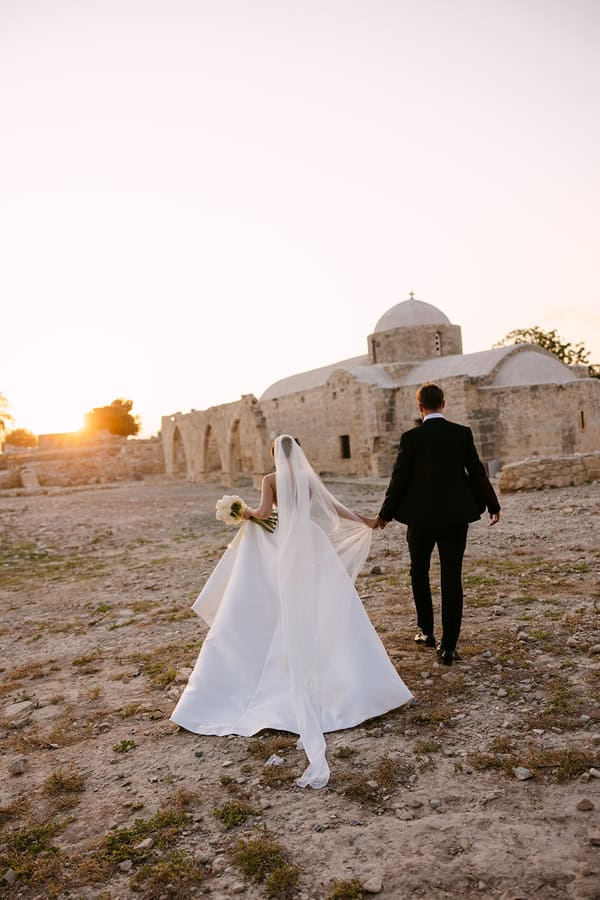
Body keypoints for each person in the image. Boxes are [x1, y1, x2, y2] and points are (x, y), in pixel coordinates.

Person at [171, 434, 413, 788]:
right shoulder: (307, 479)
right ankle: (352, 679)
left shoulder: (271, 480)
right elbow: (334, 510)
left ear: (273, 454)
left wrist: (243, 514)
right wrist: (364, 519)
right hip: (309, 539)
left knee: (279, 600)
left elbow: (266, 515)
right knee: (323, 603)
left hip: (283, 543)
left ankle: (278, 652)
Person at [374, 383, 500, 665]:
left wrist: (384, 515)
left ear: (419, 407)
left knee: (418, 571)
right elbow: (477, 472)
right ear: (443, 404)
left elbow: (399, 479)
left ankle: (426, 632)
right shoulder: (461, 434)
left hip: (420, 519)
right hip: (455, 517)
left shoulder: (411, 438)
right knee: (451, 576)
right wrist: (493, 506)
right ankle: (448, 646)